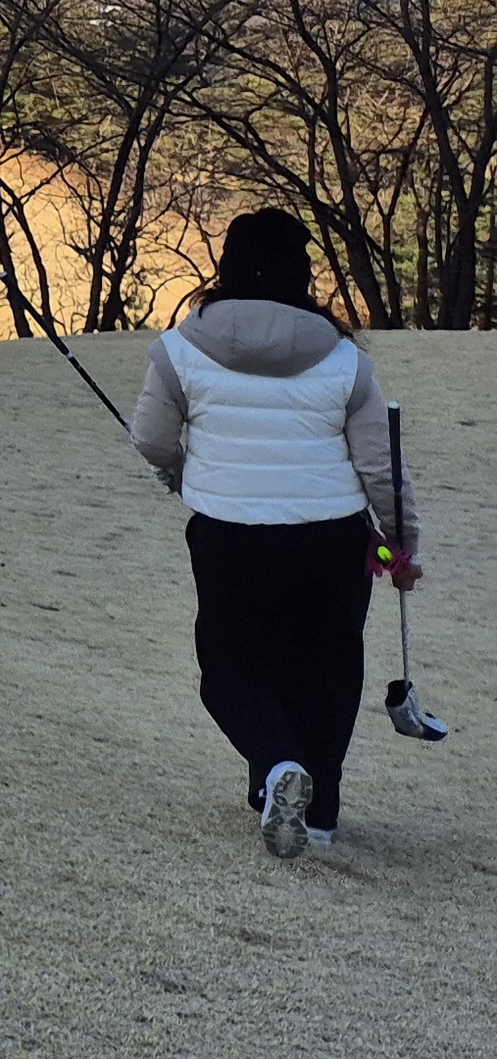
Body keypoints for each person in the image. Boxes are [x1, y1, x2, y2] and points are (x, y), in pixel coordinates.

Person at [128, 208, 425, 859]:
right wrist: (401, 545)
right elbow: (382, 467)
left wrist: (181, 473)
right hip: (333, 541)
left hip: (229, 536)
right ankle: (319, 815)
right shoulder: (344, 359)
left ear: (228, 267)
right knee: (328, 668)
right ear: (301, 274)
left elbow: (150, 438)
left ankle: (275, 766)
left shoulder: (178, 350)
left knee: (230, 667)